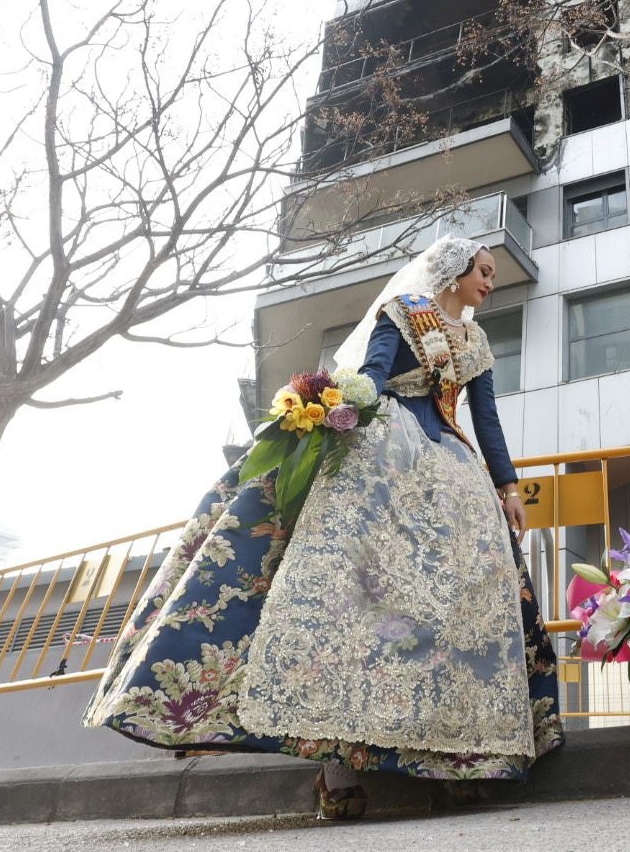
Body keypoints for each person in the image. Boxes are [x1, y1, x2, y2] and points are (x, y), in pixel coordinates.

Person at [85, 236, 563, 819]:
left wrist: (508, 486)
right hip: (385, 450)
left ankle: (458, 756)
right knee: (351, 603)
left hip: (454, 471)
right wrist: (346, 417)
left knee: (458, 608)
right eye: (483, 271)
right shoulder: (404, 310)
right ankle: (336, 769)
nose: (490, 281)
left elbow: (484, 415)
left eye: (491, 274)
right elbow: (374, 374)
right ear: (456, 272)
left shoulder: (477, 340)